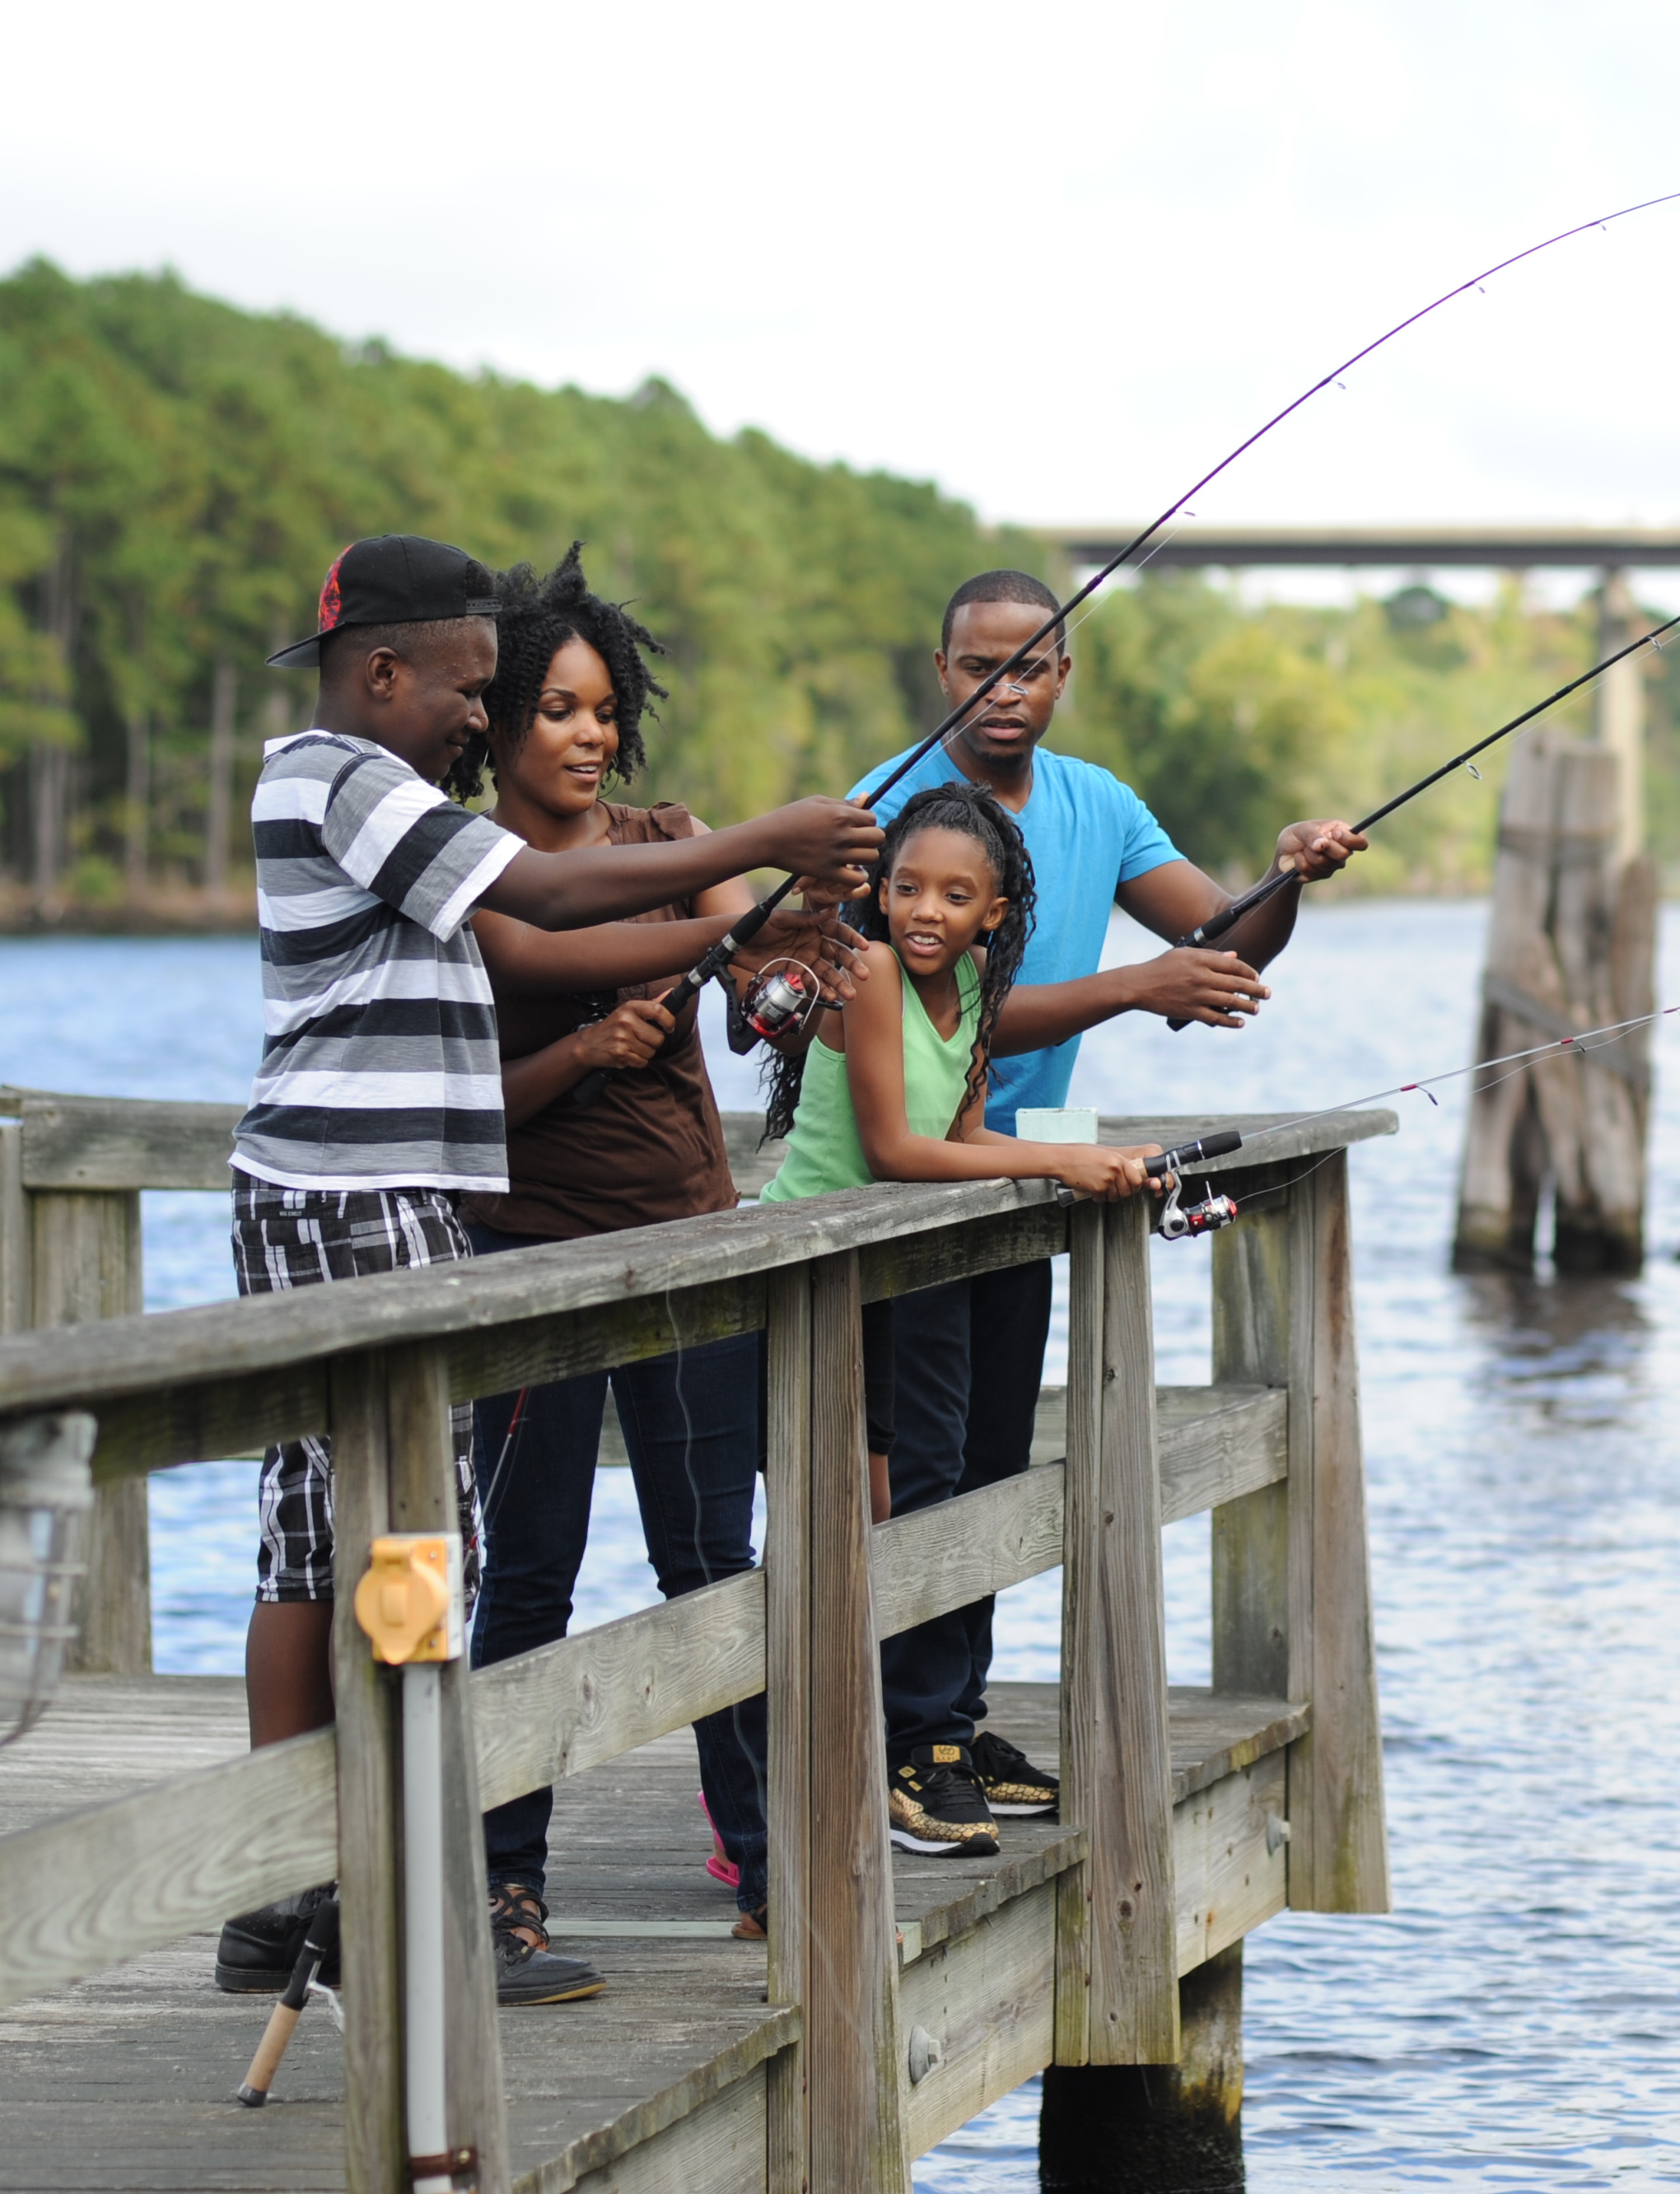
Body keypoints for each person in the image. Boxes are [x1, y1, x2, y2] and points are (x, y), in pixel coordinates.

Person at [214, 532, 877, 2007]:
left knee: (341, 1534)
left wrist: (735, 911)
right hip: (353, 1193)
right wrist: (760, 842)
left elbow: (563, 927)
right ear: (382, 672)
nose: (483, 718)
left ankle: (309, 1892)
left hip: (370, 1194)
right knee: (392, 1545)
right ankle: (375, 1893)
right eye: (470, 689)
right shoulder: (341, 779)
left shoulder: (342, 786)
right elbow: (551, 902)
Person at [838, 568, 1362, 1835]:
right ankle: (902, 1736)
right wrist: (1134, 988)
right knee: (922, 1466)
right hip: (903, 1184)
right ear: (940, 667)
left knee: (998, 1458)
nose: (1003, 690)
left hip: (1030, 1172)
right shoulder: (886, 812)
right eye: (977, 665)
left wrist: (1287, 874)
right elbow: (922, 1006)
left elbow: (1223, 941)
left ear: (1064, 675)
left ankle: (948, 1722)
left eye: (1029, 666)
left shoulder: (1098, 802)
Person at [452, 544, 859, 1959]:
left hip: (690, 1253)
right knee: (527, 1582)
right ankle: (508, 1881)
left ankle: (762, 1865)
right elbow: (462, 1111)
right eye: (556, 709)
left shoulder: (660, 839)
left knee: (711, 1563)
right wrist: (581, 1054)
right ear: (492, 723)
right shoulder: (468, 881)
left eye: (602, 707)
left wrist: (793, 978)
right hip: (530, 1270)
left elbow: (761, 973)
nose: (588, 734)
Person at [755, 781, 1160, 1856]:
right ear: (880, 895)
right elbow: (895, 1150)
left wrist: (1083, 1165)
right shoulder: (873, 971)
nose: (926, 909)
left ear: (992, 913)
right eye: (907, 887)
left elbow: (965, 1131)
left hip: (909, 1262)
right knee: (901, 1501)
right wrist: (1061, 1155)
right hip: (825, 1268)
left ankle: (940, 1728)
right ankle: (909, 1752)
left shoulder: (976, 982)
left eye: (955, 894)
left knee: (967, 1480)